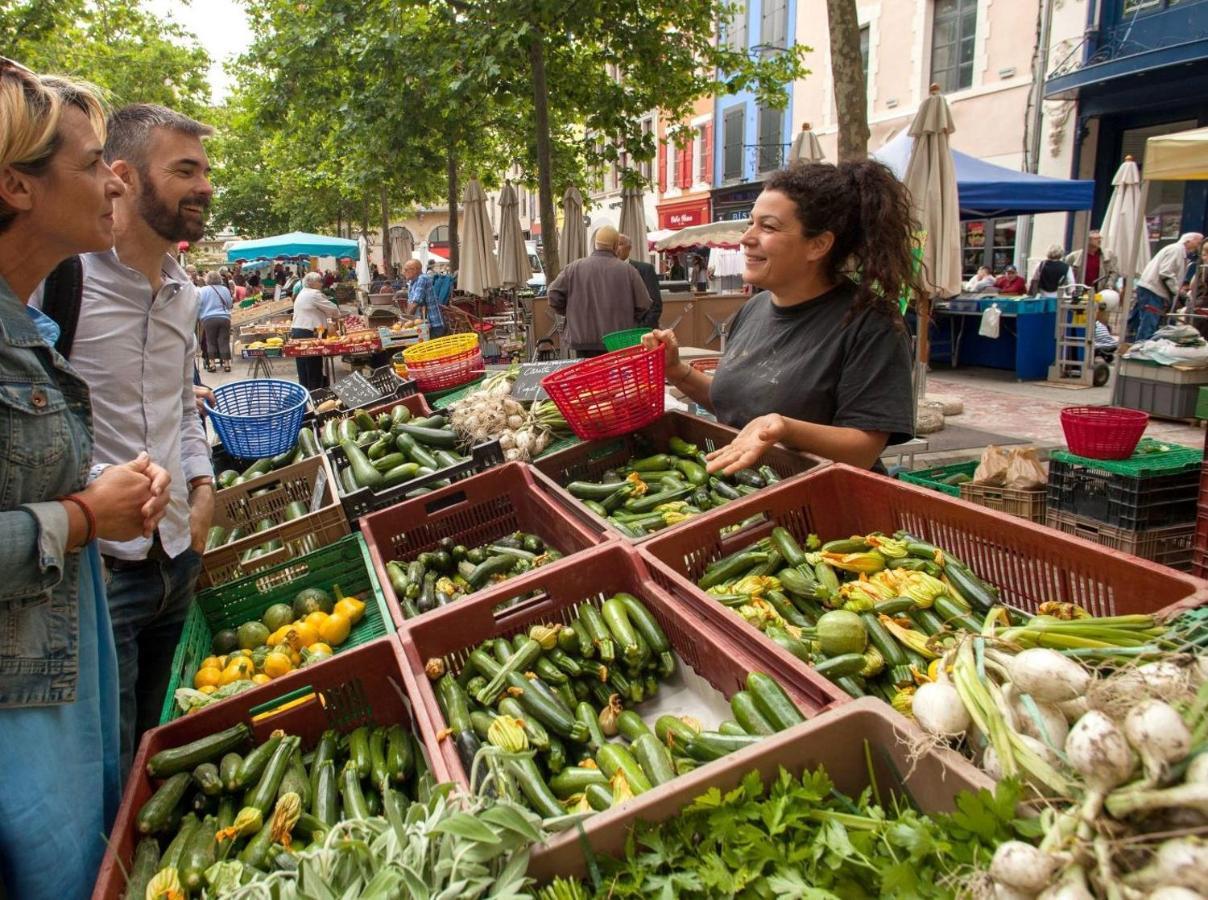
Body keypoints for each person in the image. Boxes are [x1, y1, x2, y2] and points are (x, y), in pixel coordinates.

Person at [0, 61, 171, 898]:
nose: (115, 181)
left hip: (57, 683)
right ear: (16, 186)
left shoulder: (31, 320)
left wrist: (103, 490)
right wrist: (79, 515)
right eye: (90, 161)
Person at [39, 104, 217, 774]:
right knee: (109, 768)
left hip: (178, 558)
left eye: (204, 170)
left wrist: (202, 487)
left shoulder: (185, 294)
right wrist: (92, 499)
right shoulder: (64, 284)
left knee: (169, 753)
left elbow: (182, 402)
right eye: (184, 170)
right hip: (98, 573)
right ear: (124, 176)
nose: (203, 186)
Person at [642, 160, 915, 472]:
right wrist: (677, 371)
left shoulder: (872, 324)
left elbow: (863, 449)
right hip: (749, 493)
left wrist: (785, 428)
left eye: (768, 227)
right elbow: (738, 404)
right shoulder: (754, 309)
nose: (746, 238)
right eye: (750, 223)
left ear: (818, 245)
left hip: (824, 505)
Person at [547, 225, 650, 357]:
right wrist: (627, 318)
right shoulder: (629, 271)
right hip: (617, 343)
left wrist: (571, 313)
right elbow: (644, 304)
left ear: (595, 244)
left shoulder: (574, 268)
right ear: (615, 246)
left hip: (582, 341)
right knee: (613, 377)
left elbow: (553, 295)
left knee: (587, 377)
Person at [1129, 232, 1205, 342]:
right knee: (1149, 321)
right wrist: (1178, 293)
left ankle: (1137, 343)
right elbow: (1166, 272)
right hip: (1153, 290)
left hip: (1153, 289)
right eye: (1198, 242)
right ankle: (1141, 346)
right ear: (1188, 241)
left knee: (1146, 321)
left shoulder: (1180, 252)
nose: (1199, 246)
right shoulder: (1176, 250)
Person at [291, 270, 341, 390]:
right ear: (311, 283)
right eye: (319, 281)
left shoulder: (303, 292)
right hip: (309, 331)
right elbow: (332, 308)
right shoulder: (314, 293)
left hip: (298, 331)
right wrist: (336, 316)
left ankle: (305, 392)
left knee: (303, 365)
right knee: (313, 365)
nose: (321, 284)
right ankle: (315, 394)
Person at [617, 232, 662, 327]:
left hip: (640, 332)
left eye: (620, 244)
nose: (616, 248)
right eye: (614, 245)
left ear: (629, 248)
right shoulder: (607, 272)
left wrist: (641, 328)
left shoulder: (645, 270)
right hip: (615, 334)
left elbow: (655, 305)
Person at [199, 270, 233, 372]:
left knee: (210, 341)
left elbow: (199, 305)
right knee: (224, 341)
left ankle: (212, 364)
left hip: (208, 318)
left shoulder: (202, 290)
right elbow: (229, 304)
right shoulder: (225, 289)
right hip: (224, 318)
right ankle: (227, 364)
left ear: (207, 279)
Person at [402, 258, 446, 339]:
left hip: (433, 326)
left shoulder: (422, 279)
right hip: (424, 326)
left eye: (406, 270)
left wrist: (405, 321)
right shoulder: (413, 282)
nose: (403, 272)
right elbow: (410, 303)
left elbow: (414, 303)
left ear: (415, 270)